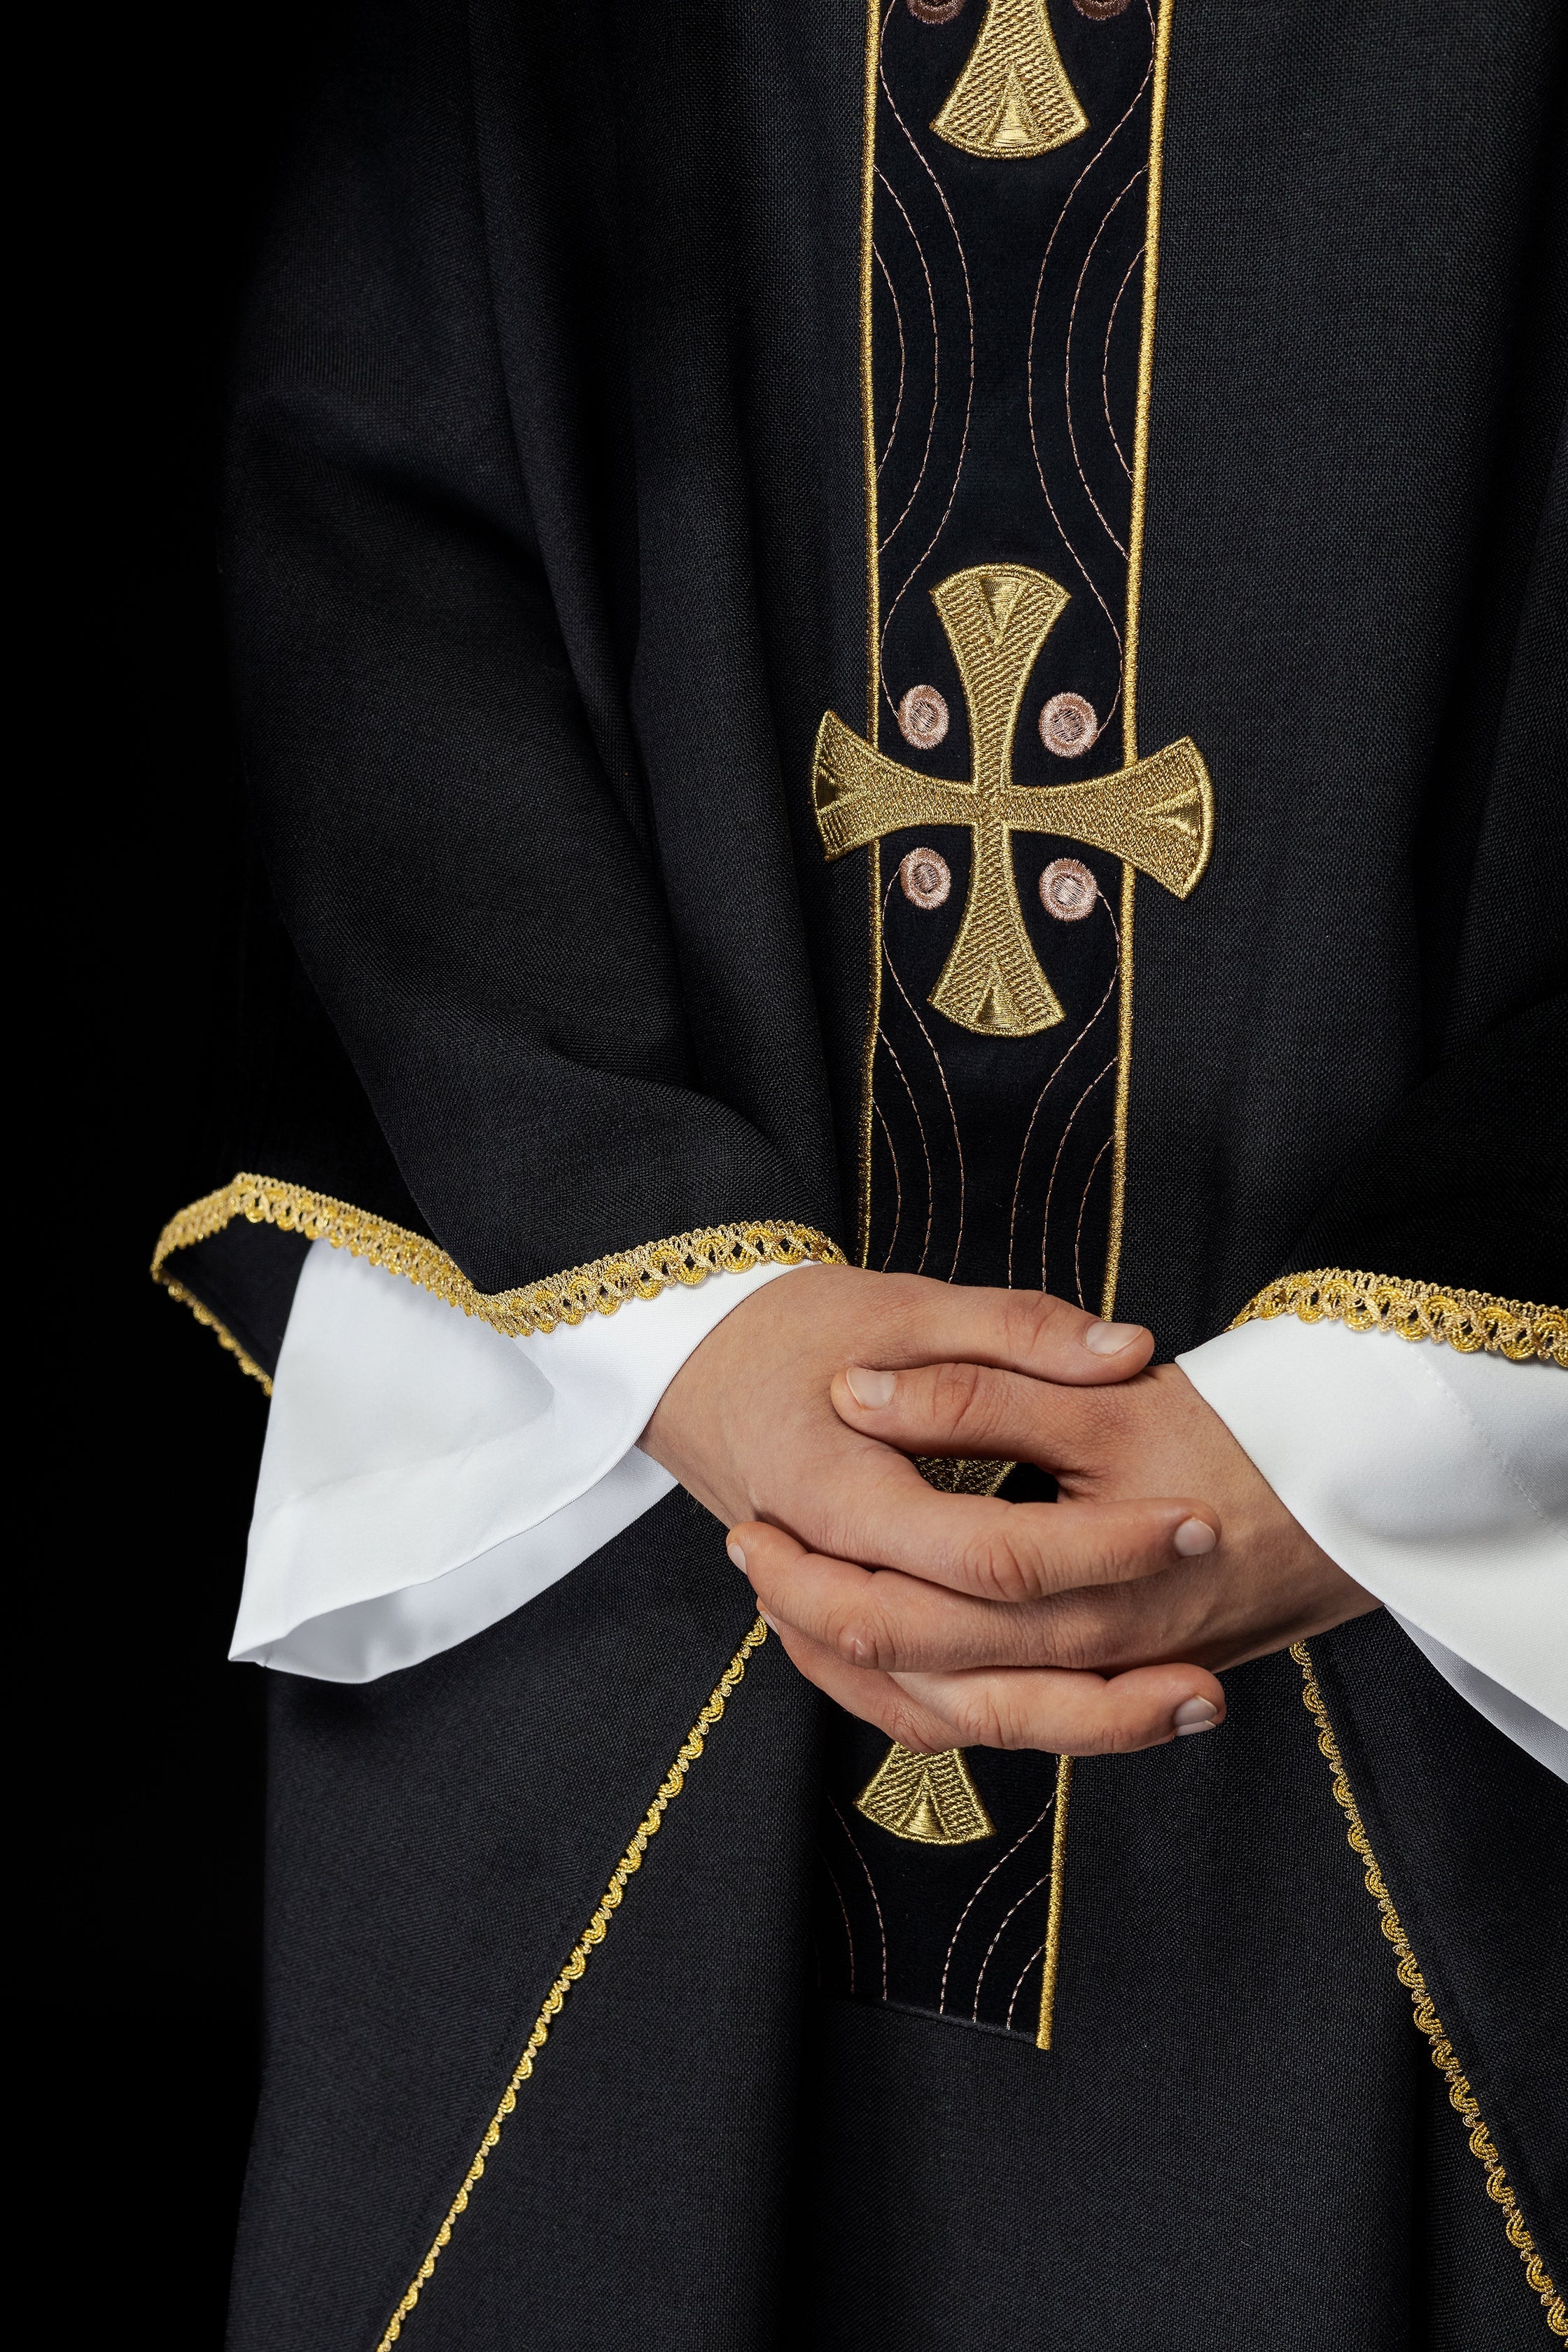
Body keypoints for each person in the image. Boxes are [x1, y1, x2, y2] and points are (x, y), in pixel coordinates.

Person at [154, 0, 1567, 2344]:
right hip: (628, 1518)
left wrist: (1388, 1402)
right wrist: (669, 1289)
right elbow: (372, 516)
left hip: (1430, 1632)